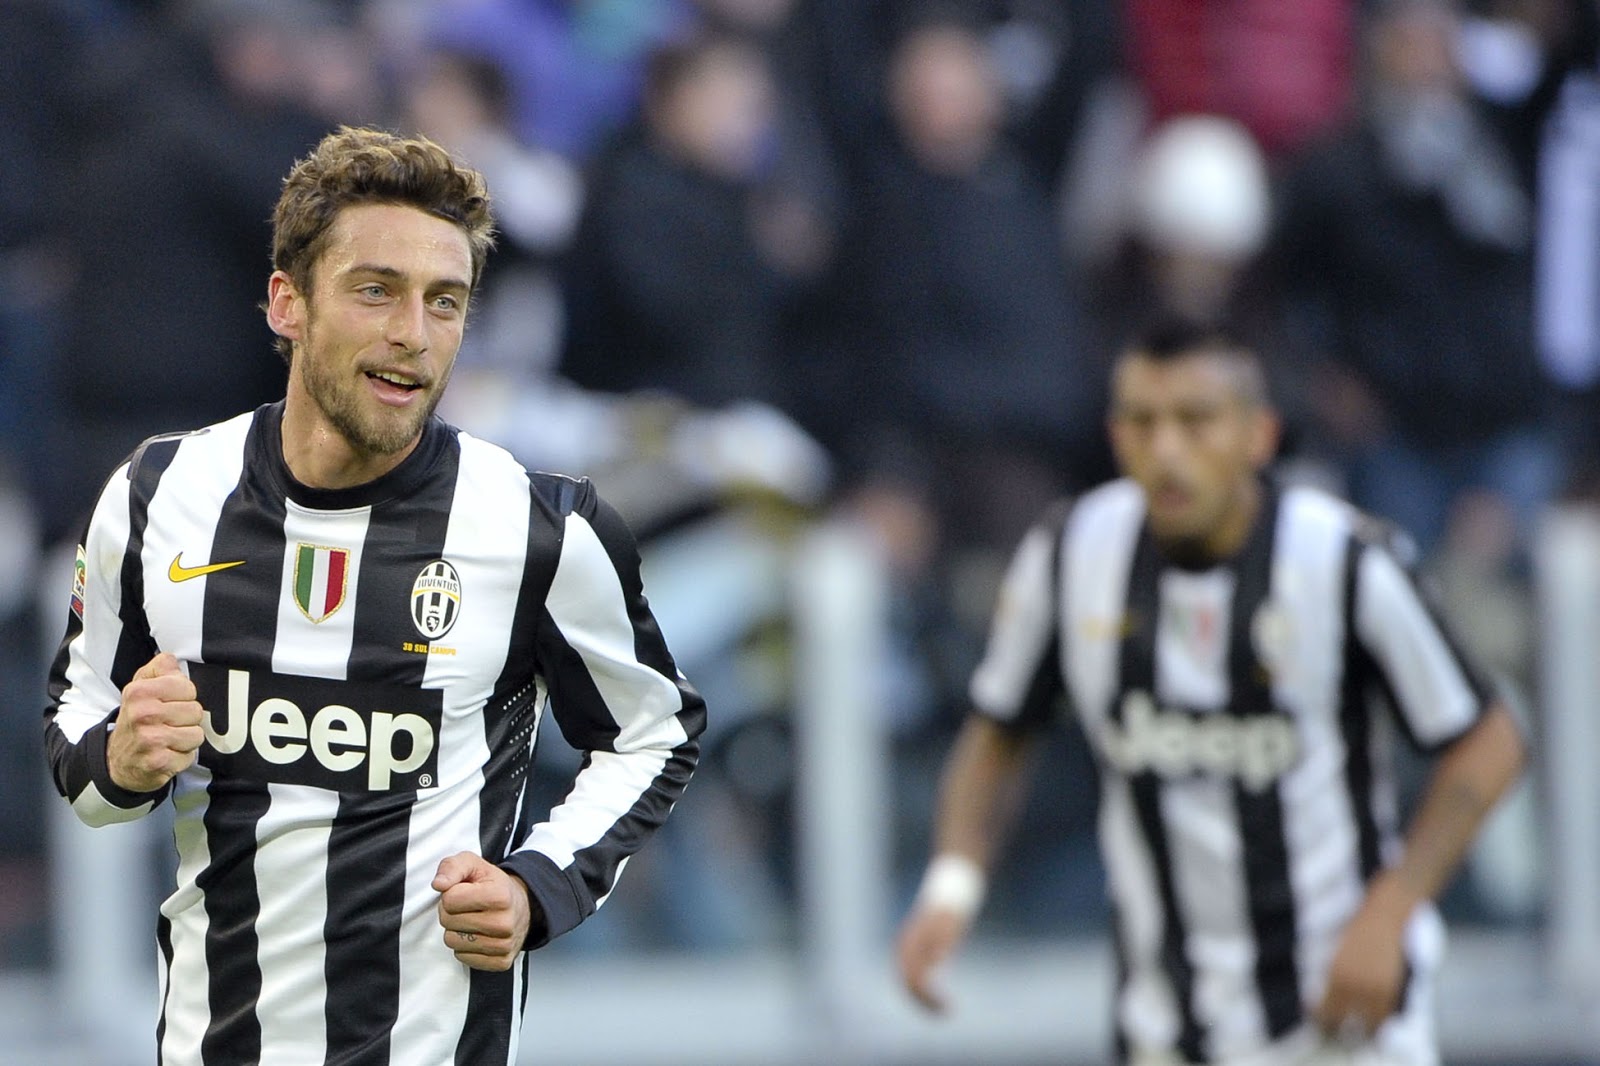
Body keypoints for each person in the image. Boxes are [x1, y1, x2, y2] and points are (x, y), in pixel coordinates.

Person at [42, 126, 705, 1065]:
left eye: (445, 302)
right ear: (288, 303)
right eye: (375, 290)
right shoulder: (158, 494)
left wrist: (538, 885)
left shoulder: (538, 526)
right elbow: (77, 724)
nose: (413, 335)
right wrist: (121, 758)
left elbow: (655, 732)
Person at [896, 321, 1526, 1066]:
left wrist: (1391, 910)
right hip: (1164, 1023)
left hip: (1345, 1016)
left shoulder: (1341, 559)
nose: (1166, 449)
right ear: (1115, 436)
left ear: (1259, 435)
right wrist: (953, 885)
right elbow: (999, 729)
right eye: (1142, 422)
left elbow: (1489, 740)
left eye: (1196, 421)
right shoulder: (1071, 554)